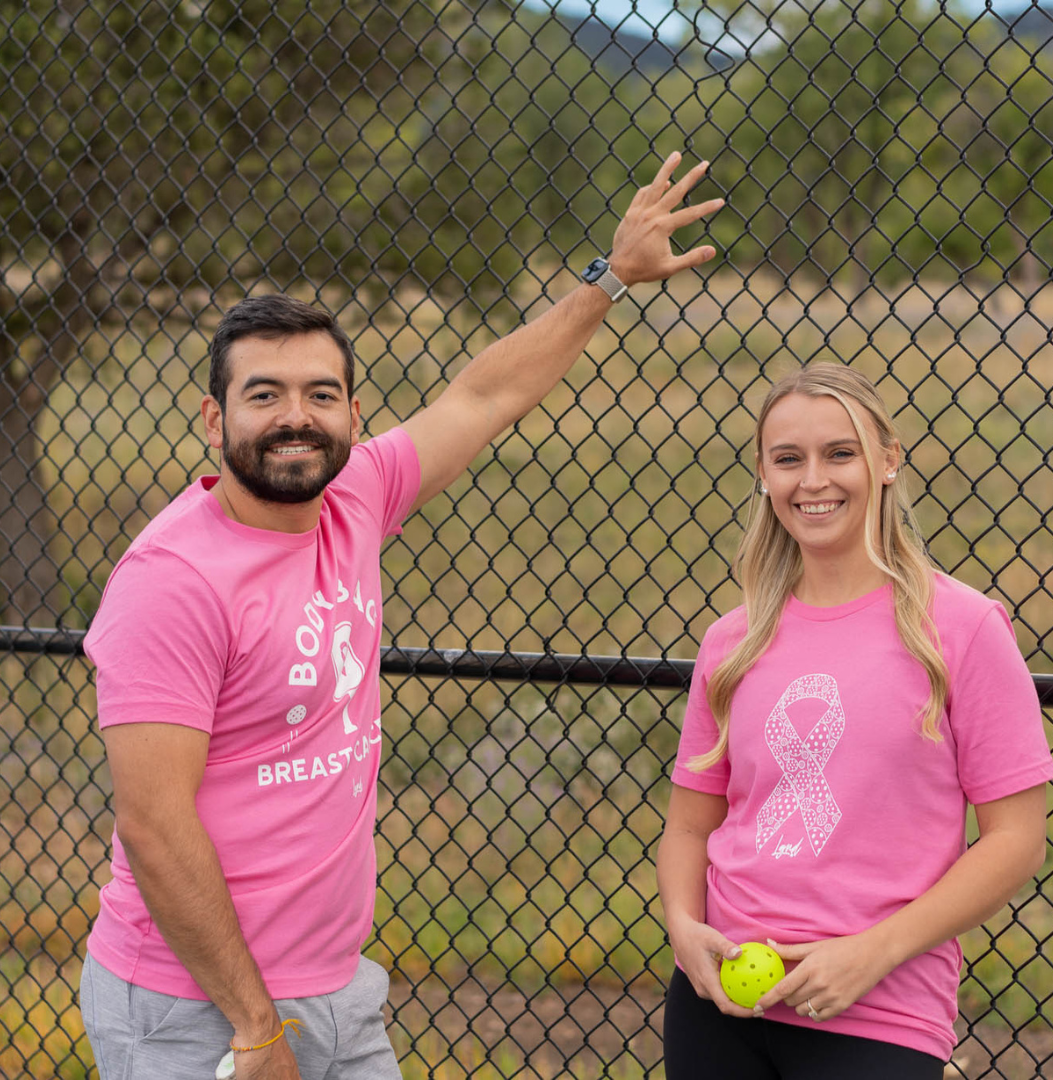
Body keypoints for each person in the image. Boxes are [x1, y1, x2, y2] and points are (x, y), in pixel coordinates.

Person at [77, 152, 725, 1080]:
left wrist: (609, 280)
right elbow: (151, 822)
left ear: (349, 415)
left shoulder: (358, 499)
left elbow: (486, 393)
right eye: (263, 395)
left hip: (337, 989)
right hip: (193, 1004)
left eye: (320, 394)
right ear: (215, 424)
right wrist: (255, 1029)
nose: (294, 418)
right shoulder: (172, 578)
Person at [658, 364, 1053, 1079]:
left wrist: (873, 951)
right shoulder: (732, 640)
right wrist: (686, 933)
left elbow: (1018, 840)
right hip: (719, 1007)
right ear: (764, 476)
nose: (814, 480)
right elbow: (690, 824)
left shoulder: (962, 628)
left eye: (840, 453)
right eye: (789, 459)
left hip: (879, 1010)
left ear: (888, 462)